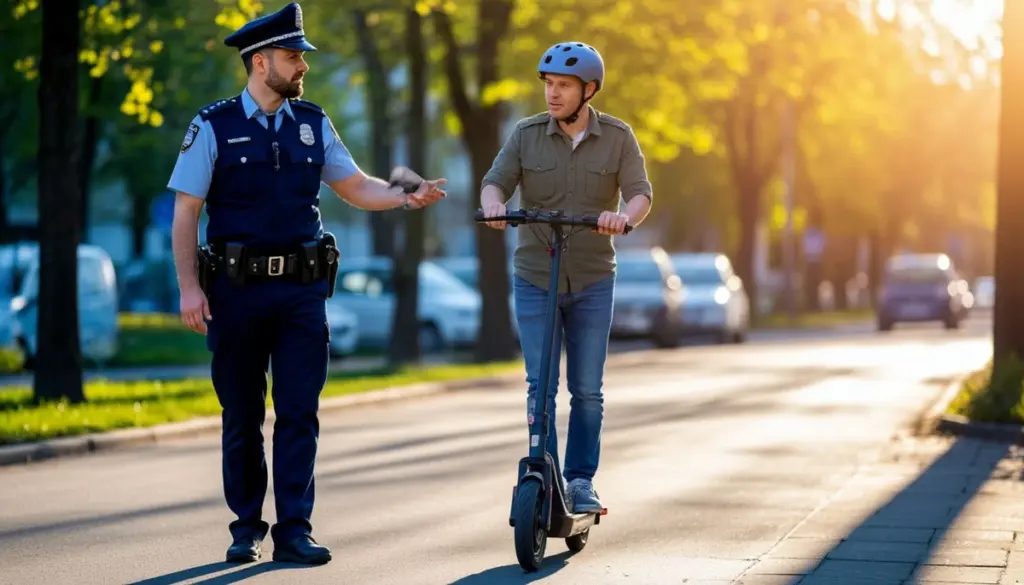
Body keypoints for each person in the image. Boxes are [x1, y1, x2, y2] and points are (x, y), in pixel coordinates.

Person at [166, 3, 446, 566]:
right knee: (242, 412)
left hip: (301, 292)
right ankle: (246, 527)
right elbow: (186, 212)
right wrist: (189, 288)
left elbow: (357, 185)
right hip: (235, 293)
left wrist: (408, 192)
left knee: (299, 410)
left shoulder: (312, 122)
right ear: (260, 61)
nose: (303, 68)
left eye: (302, 59)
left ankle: (294, 529)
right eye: (294, 58)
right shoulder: (213, 125)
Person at [479, 42, 653, 514]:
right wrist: (494, 203)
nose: (553, 95)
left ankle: (579, 481)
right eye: (549, 85)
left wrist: (625, 218)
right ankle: (545, 471)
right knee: (541, 385)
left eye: (564, 86)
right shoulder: (526, 133)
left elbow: (640, 193)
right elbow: (496, 179)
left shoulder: (618, 137)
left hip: (594, 280)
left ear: (588, 90)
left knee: (587, 389)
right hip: (536, 276)